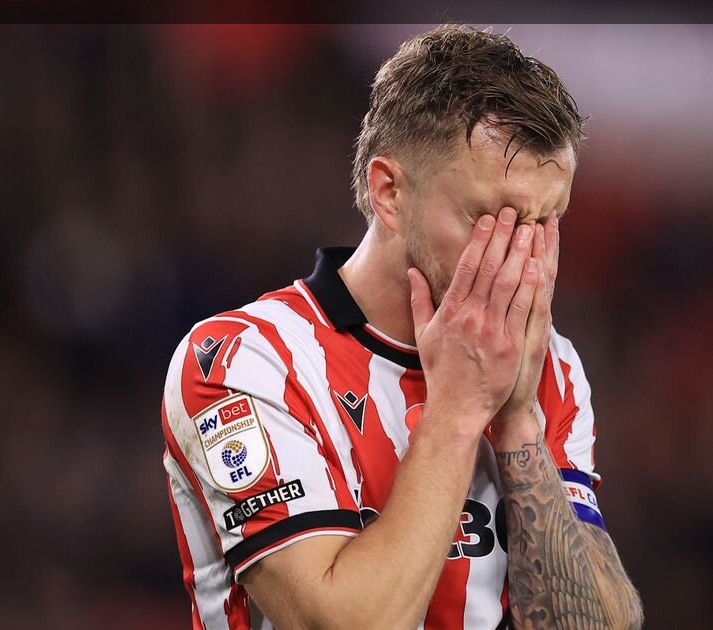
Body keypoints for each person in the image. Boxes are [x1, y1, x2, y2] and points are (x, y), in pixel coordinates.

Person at [160, 24, 643, 630]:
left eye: (547, 222)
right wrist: (459, 409)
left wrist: (519, 420)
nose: (522, 257)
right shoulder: (244, 362)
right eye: (495, 219)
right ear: (389, 193)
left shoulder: (550, 366)